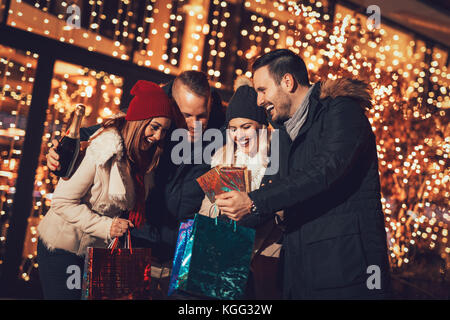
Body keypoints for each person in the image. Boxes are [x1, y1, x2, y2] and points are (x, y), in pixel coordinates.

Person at [215, 49, 392, 299]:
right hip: (300, 270)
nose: (258, 101)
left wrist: (254, 201)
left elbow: (325, 169)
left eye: (262, 90)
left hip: (346, 267)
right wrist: (220, 226)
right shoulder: (284, 132)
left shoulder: (342, 112)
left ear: (287, 82)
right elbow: (273, 190)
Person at [37, 80, 176, 299]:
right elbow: (62, 202)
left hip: (94, 252)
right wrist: (108, 226)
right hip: (63, 248)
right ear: (139, 121)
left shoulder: (142, 161)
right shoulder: (102, 149)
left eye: (164, 131)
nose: (158, 136)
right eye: (154, 126)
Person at [198, 78, 282, 299]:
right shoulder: (223, 157)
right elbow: (205, 211)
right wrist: (220, 208)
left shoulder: (279, 156)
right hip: (228, 260)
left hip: (267, 258)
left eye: (246, 127)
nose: (239, 135)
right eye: (233, 129)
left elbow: (286, 202)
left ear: (261, 126)